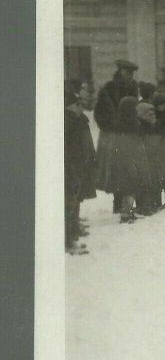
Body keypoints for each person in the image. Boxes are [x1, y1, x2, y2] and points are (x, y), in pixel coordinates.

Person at [94, 59, 139, 212]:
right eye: (127, 72)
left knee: (128, 168)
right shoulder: (108, 88)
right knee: (115, 168)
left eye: (132, 73)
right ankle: (117, 202)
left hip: (129, 134)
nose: (130, 75)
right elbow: (99, 114)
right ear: (120, 71)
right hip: (112, 135)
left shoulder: (133, 88)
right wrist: (112, 125)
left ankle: (126, 204)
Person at [104, 96, 150, 223]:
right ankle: (126, 213)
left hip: (129, 160)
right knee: (129, 188)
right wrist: (131, 164)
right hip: (127, 162)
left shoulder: (127, 123)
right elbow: (126, 146)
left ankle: (128, 211)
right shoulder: (127, 125)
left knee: (131, 187)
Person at [64, 88, 97, 254]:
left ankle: (71, 233)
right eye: (77, 104)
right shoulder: (68, 121)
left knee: (74, 200)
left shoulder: (76, 119)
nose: (80, 107)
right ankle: (67, 241)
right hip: (70, 168)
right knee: (68, 202)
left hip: (76, 167)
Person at [137, 82, 161, 213]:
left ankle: (144, 203)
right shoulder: (149, 107)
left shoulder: (138, 105)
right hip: (150, 140)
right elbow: (152, 123)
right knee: (151, 172)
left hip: (141, 140)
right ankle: (151, 203)